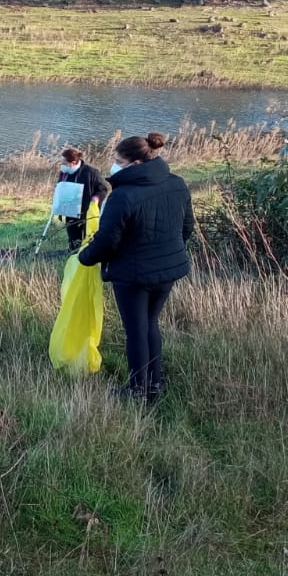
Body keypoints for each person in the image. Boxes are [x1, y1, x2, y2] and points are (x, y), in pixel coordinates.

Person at [77, 133, 194, 403]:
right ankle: (155, 383)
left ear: (136, 163)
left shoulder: (123, 196)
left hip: (132, 275)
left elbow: (107, 242)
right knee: (151, 324)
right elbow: (186, 228)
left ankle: (137, 390)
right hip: (168, 270)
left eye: (118, 161)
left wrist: (84, 258)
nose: (113, 166)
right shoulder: (178, 184)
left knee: (136, 331)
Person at [58, 147, 108, 251]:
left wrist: (96, 198)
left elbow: (103, 189)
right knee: (73, 236)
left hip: (87, 211)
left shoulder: (91, 172)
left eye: (64, 163)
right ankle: (73, 253)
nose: (62, 166)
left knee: (87, 236)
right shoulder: (64, 173)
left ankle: (86, 255)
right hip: (70, 210)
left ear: (73, 162)